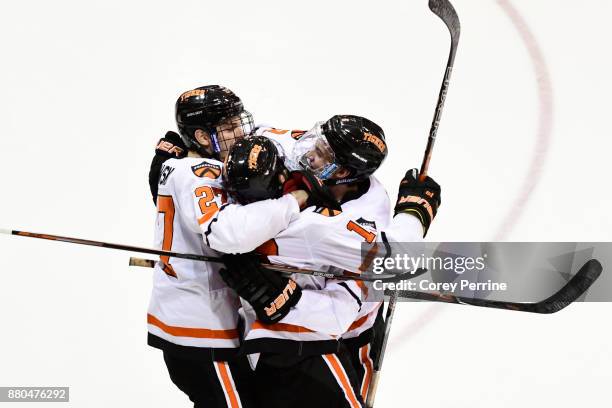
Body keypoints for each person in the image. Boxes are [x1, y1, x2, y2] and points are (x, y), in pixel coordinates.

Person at [206, 116, 442, 407]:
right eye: (316, 143)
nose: (308, 154)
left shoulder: (326, 228)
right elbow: (262, 132)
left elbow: (399, 263)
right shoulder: (359, 190)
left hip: (347, 331)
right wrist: (413, 211)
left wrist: (414, 214)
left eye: (320, 153)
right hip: (300, 338)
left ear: (341, 170)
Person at [146, 85, 260, 408]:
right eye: (226, 128)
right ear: (199, 135)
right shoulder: (201, 174)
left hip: (188, 323)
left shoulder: (175, 164)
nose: (238, 133)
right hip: (199, 330)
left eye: (238, 122)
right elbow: (225, 234)